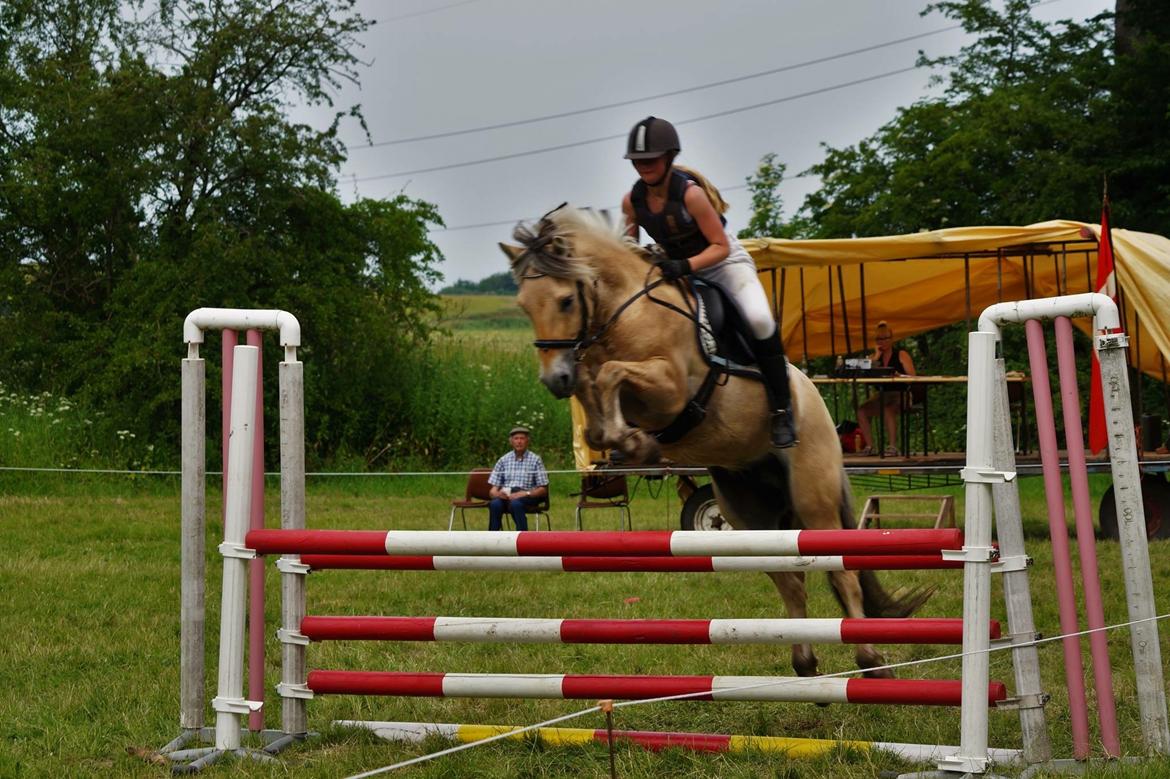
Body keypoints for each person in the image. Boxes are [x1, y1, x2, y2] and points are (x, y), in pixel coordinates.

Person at [620, 116, 796, 448]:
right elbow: (629, 249)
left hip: (723, 263)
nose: (644, 166)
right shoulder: (632, 201)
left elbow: (720, 246)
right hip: (676, 269)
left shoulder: (691, 195)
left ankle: (783, 409)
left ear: (669, 157)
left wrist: (683, 265)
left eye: (651, 159)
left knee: (758, 319)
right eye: (638, 160)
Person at [857, 321, 917, 456]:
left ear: (891, 339)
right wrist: (876, 357)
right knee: (862, 411)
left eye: (885, 338)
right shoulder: (874, 358)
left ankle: (892, 447)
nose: (882, 342)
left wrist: (899, 376)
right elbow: (865, 374)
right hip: (882, 395)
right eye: (879, 339)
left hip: (902, 394)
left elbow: (913, 377)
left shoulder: (901, 355)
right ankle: (870, 446)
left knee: (888, 409)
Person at [487, 426, 549, 531]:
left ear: (527, 441)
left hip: (527, 495)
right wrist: (498, 494)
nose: (519, 442)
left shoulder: (535, 460)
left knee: (516, 504)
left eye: (522, 438)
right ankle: (492, 540)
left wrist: (525, 493)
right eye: (516, 439)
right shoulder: (503, 460)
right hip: (507, 494)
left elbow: (543, 490)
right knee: (495, 504)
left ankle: (523, 538)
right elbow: (492, 491)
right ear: (511, 442)